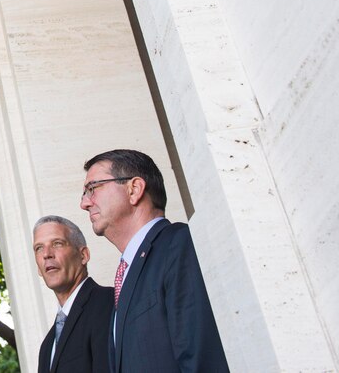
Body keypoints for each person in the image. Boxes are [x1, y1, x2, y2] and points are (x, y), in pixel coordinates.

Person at [80, 149, 228, 373]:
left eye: (92, 188)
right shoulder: (125, 276)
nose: (84, 203)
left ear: (134, 189)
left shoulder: (179, 245)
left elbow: (203, 356)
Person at [33, 215, 112, 373]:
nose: (46, 254)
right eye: (39, 248)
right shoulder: (47, 346)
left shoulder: (109, 303)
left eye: (57, 243)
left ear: (83, 255)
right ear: (38, 268)